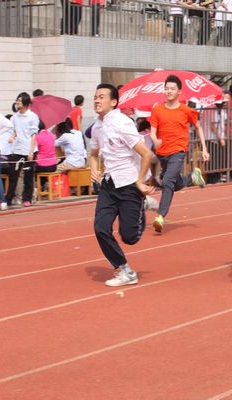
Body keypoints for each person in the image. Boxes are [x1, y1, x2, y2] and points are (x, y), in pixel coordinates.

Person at [90, 83, 155, 287]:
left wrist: (140, 181)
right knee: (100, 228)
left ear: (113, 102)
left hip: (129, 184)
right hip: (110, 185)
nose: (97, 100)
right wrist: (94, 168)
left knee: (130, 237)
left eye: (101, 97)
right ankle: (125, 270)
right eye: (95, 97)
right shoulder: (96, 127)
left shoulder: (122, 122)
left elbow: (146, 154)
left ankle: (141, 206)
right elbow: (93, 153)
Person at [149, 74, 209, 233]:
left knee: (167, 181)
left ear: (179, 92)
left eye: (172, 89)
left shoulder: (186, 110)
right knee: (173, 183)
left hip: (178, 151)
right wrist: (155, 141)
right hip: (162, 152)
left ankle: (160, 216)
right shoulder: (157, 109)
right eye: (166, 88)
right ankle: (191, 178)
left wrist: (204, 148)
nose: (168, 91)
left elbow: (199, 127)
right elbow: (153, 132)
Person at [6, 92, 39, 208]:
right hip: (17, 150)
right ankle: (9, 198)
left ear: (25, 103)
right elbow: (15, 130)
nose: (17, 103)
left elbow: (33, 135)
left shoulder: (33, 117)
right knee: (13, 175)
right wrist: (12, 137)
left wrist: (31, 152)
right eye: (17, 101)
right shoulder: (14, 117)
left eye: (19, 101)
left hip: (29, 150)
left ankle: (27, 198)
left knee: (28, 176)